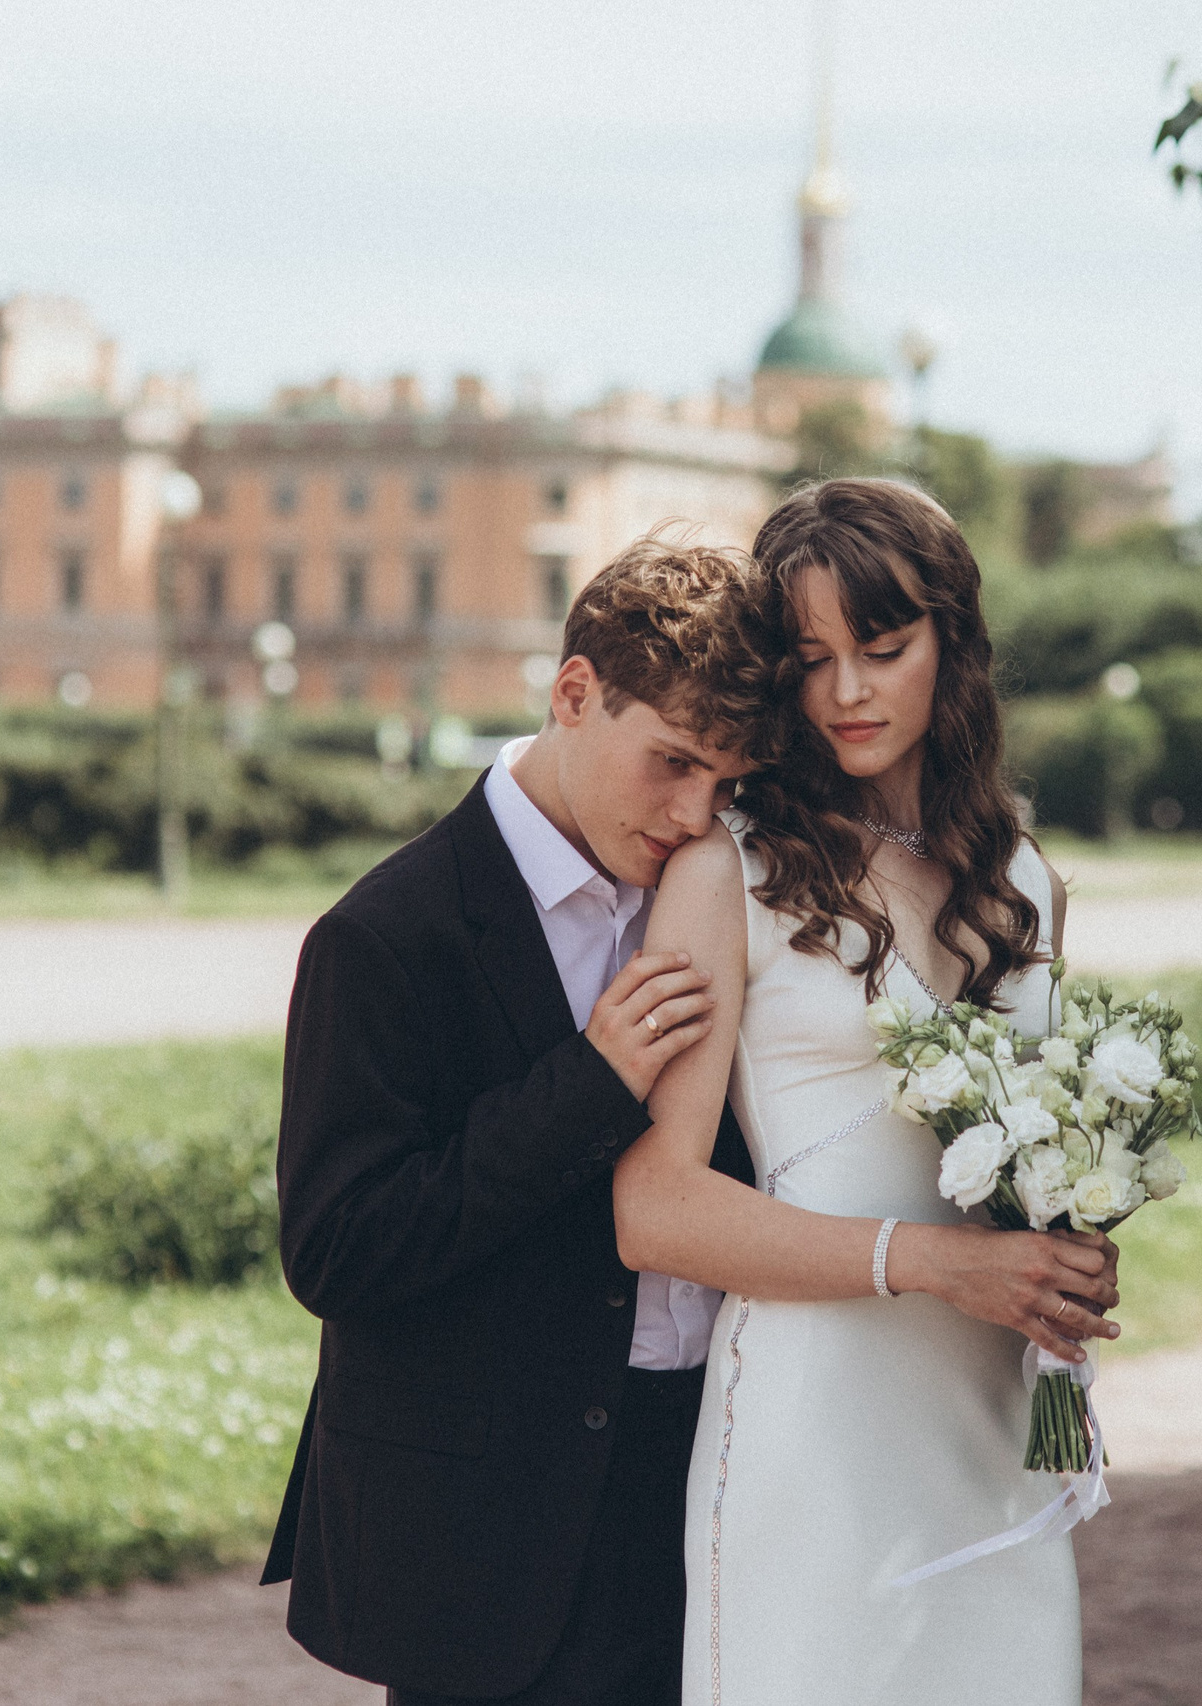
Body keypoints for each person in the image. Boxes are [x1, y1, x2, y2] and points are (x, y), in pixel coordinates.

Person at [614, 479, 1117, 1705]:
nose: (846, 690)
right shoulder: (726, 871)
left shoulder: (1021, 881)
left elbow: (1033, 1156)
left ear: (953, 642)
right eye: (810, 658)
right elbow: (654, 1208)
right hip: (814, 1421)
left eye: (883, 649)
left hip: (995, 1416)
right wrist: (938, 1262)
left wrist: (1073, 1240)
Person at [260, 537, 772, 1705]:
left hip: (706, 1479)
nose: (696, 814)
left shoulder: (731, 894)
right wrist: (587, 1082)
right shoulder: (384, 934)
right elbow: (339, 1250)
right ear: (574, 692)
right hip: (486, 1534)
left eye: (729, 783)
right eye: (674, 762)